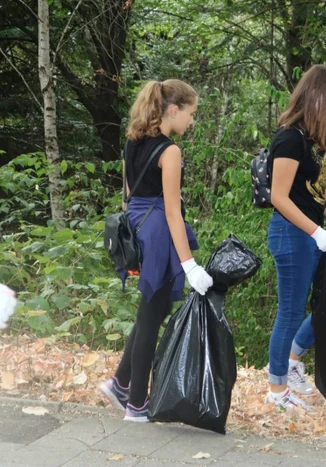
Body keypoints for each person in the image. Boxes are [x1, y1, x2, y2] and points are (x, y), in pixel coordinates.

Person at [99, 80, 213, 422]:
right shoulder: (170, 151)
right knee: (151, 312)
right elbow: (172, 211)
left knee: (156, 305)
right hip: (159, 230)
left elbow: (128, 195)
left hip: (138, 225)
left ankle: (120, 383)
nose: (191, 122)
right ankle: (136, 404)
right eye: (191, 114)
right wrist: (189, 264)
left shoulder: (132, 141)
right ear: (173, 110)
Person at [266, 65, 326, 409]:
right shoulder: (289, 138)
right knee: (289, 311)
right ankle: (276, 390)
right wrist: (315, 232)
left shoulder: (314, 140)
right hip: (292, 235)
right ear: (317, 97)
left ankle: (294, 361)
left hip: (313, 235)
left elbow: (319, 187)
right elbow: (279, 197)